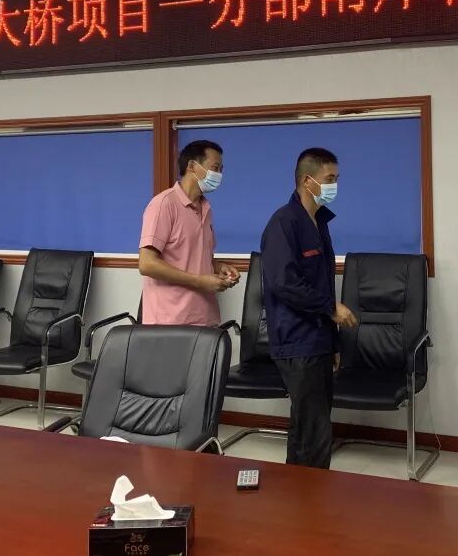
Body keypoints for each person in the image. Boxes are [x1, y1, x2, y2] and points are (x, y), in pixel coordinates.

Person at [260, 147, 357, 469]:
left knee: (311, 425)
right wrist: (331, 308)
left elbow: (322, 283)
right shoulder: (284, 223)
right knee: (312, 430)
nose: (334, 185)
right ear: (307, 180)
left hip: (318, 340)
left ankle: (302, 492)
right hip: (296, 340)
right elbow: (284, 283)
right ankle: (308, 493)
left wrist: (333, 343)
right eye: (329, 178)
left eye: (336, 178)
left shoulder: (319, 222)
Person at [137, 140, 240, 326]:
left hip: (204, 319)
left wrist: (219, 267)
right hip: (170, 322)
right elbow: (147, 264)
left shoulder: (206, 209)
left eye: (221, 169)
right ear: (192, 166)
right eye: (215, 168)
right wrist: (199, 281)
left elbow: (193, 257)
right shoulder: (163, 204)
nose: (219, 175)